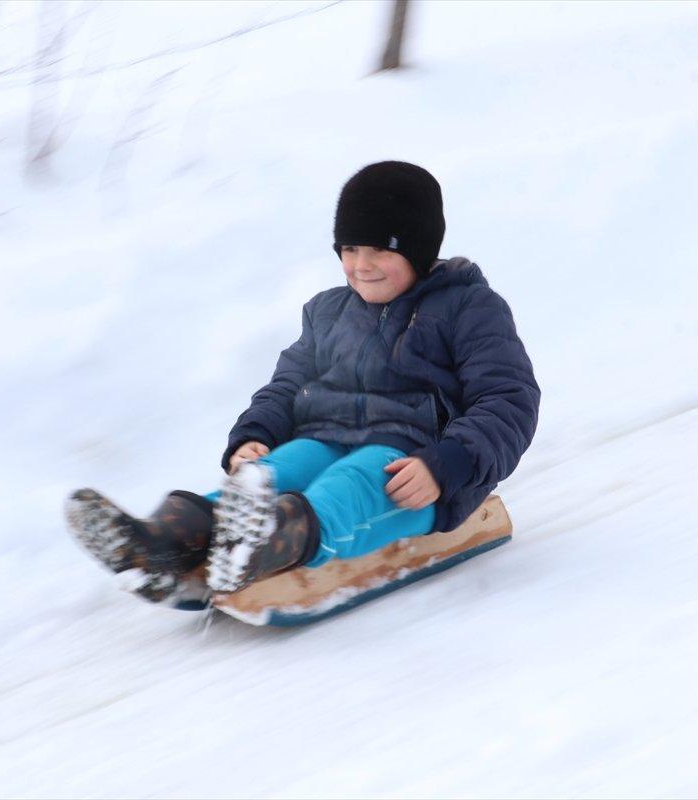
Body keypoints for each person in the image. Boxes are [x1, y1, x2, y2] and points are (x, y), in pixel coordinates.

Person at [66, 161, 540, 604]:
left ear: (418, 249)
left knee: (352, 482)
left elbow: (508, 399)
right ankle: (159, 546)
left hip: (413, 462)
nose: (361, 264)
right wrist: (254, 436)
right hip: (325, 437)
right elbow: (288, 384)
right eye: (350, 249)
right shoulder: (328, 311)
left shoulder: (468, 309)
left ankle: (263, 543)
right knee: (274, 472)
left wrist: (446, 464)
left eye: (380, 250)